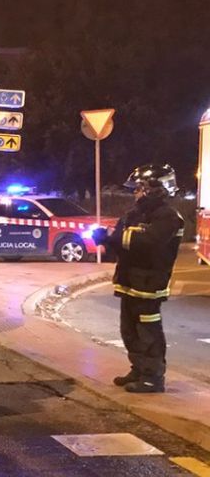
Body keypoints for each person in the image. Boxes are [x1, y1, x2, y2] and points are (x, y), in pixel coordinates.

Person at [93, 163, 184, 393]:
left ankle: (153, 378)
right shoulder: (134, 214)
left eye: (139, 188)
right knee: (129, 330)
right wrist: (104, 239)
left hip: (149, 285)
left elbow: (147, 243)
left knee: (148, 332)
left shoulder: (169, 217)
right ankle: (139, 369)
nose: (135, 192)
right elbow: (120, 241)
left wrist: (114, 238)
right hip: (130, 282)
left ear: (155, 188)